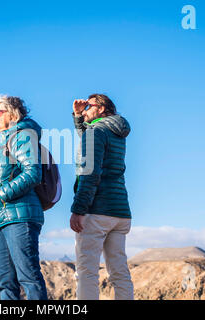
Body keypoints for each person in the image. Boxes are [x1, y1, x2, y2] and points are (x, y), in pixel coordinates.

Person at [0, 94, 48, 300]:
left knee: (29, 278)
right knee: (5, 284)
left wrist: (1, 195)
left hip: (19, 216)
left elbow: (32, 173)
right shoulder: (3, 142)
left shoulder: (22, 135)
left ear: (13, 113)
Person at [70, 93, 134, 300]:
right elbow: (89, 139)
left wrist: (78, 209)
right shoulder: (116, 131)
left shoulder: (96, 132)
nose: (85, 109)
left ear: (101, 109)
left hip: (97, 211)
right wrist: (79, 117)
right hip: (120, 212)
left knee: (87, 272)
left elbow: (90, 172)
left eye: (89, 106)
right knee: (119, 272)